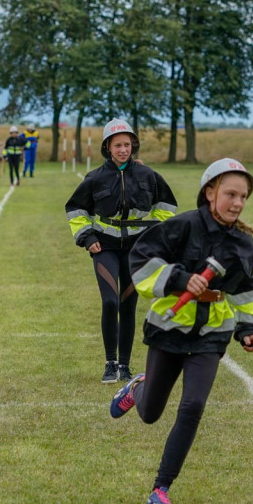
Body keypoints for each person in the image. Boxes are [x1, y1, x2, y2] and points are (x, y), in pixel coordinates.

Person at [109, 158, 253, 504]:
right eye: (230, 193)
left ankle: (159, 491)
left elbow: (245, 289)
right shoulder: (181, 227)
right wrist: (180, 279)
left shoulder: (244, 246)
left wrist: (247, 330)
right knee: (150, 414)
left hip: (211, 335)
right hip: (169, 328)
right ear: (210, 192)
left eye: (243, 196)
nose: (237, 202)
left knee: (193, 406)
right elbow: (142, 258)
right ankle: (137, 390)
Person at [64, 118, 177, 384]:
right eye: (118, 145)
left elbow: (168, 206)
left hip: (136, 251)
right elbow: (76, 210)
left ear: (133, 145)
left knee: (128, 305)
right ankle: (109, 363)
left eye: (127, 144)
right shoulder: (95, 178)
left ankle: (124, 366)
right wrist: (87, 236)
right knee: (110, 301)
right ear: (107, 147)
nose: (123, 150)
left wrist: (153, 236)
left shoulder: (148, 176)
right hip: (105, 247)